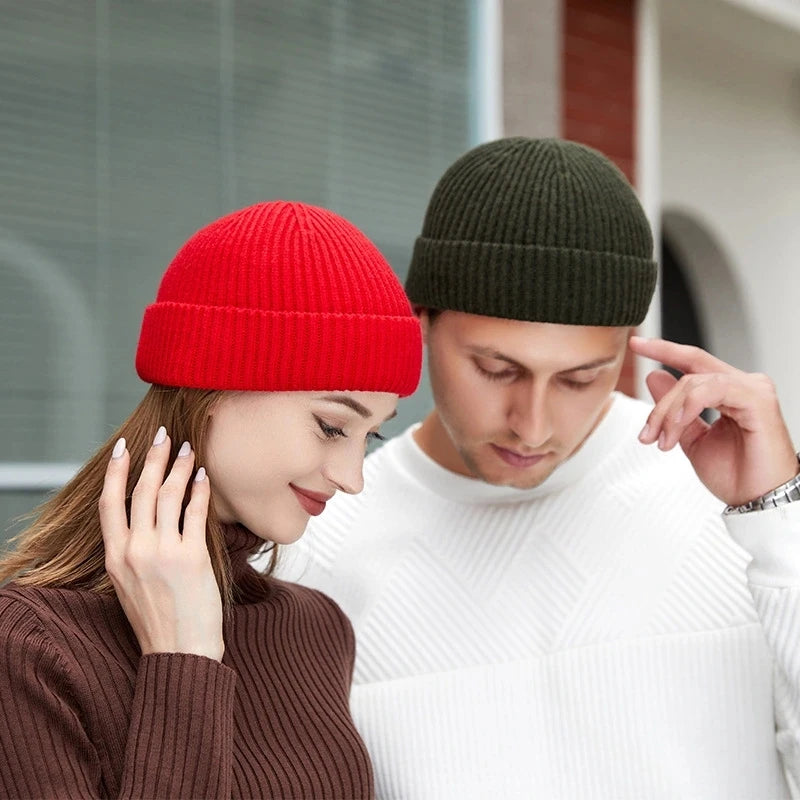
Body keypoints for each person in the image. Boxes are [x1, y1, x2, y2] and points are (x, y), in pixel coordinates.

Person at [279, 138, 800, 798]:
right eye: (497, 370)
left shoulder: (738, 512)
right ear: (420, 326)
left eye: (581, 378)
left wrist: (778, 521)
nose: (534, 424)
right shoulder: (318, 551)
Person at [0, 200, 422, 799]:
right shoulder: (28, 649)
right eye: (332, 427)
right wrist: (184, 658)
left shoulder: (315, 630)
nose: (354, 477)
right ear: (212, 384)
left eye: (371, 434)